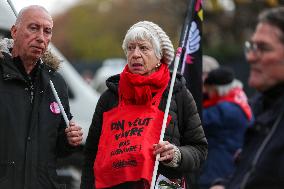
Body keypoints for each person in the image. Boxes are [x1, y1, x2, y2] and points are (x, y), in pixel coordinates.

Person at [81, 21, 208, 189]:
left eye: (143, 48)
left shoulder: (177, 94)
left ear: (159, 56)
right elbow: (91, 154)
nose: (135, 54)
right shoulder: (110, 97)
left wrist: (176, 155)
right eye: (130, 48)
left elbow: (199, 149)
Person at [0, 5, 83, 189]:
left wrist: (69, 140)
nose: (40, 38)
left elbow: (59, 148)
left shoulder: (56, 82)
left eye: (47, 31)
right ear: (14, 31)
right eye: (33, 28)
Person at [210, 7, 284, 189]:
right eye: (251, 47)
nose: (250, 57)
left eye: (263, 48)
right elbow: (251, 172)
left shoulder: (228, 108)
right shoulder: (260, 106)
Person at [198, 67, 252, 189]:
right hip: (230, 166)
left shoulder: (225, 110)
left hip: (217, 170)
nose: (208, 94)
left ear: (216, 89)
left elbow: (196, 121)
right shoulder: (239, 101)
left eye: (209, 90)